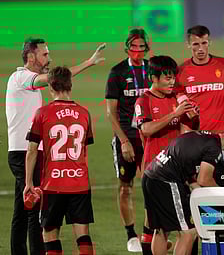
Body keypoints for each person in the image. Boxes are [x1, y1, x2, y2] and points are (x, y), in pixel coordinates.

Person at [6, 38, 104, 255]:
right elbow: (54, 78)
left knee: (22, 209)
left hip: (30, 150)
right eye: (45, 54)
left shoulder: (27, 82)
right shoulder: (21, 77)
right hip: (25, 152)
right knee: (35, 208)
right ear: (31, 57)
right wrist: (88, 62)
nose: (49, 58)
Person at [23, 66, 96, 255]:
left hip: (52, 183)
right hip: (79, 183)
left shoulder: (42, 113)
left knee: (50, 235)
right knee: (83, 236)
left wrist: (28, 183)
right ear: (70, 85)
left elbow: (32, 151)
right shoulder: (84, 113)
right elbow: (84, 147)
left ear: (50, 86)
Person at [142, 129, 224, 255]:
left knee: (161, 230)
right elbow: (204, 179)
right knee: (189, 233)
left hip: (150, 176)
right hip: (166, 181)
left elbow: (190, 173)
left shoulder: (202, 137)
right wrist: (222, 195)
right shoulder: (214, 148)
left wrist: (200, 192)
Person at [133, 55, 198, 254]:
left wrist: (192, 116)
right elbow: (146, 129)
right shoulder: (144, 100)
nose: (172, 82)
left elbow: (188, 130)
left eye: (173, 77)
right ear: (153, 78)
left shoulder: (175, 99)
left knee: (163, 229)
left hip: (175, 170)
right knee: (179, 230)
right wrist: (174, 114)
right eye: (167, 77)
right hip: (158, 171)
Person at [105, 28, 151, 252]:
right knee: (126, 187)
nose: (138, 51)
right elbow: (110, 113)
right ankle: (130, 233)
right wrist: (123, 141)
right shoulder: (117, 73)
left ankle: (149, 233)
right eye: (134, 47)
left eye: (142, 47)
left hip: (150, 137)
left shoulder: (153, 70)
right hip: (127, 137)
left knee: (152, 185)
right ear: (127, 48)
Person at [176, 25, 224, 188]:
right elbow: (180, 104)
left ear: (209, 42)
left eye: (204, 43)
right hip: (195, 140)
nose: (200, 49)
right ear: (188, 45)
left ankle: (219, 214)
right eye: (196, 44)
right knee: (197, 188)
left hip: (221, 138)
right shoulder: (181, 71)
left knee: (222, 184)